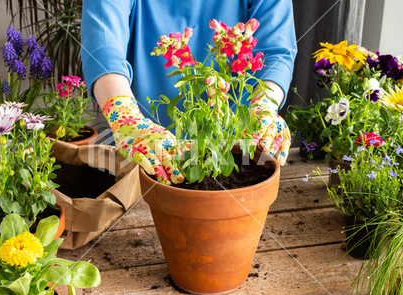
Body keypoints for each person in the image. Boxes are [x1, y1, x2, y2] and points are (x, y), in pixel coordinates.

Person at [81, 0, 297, 184]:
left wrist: (265, 106)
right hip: (143, 154)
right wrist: (126, 118)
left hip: (235, 148)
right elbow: (103, 42)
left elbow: (275, 49)